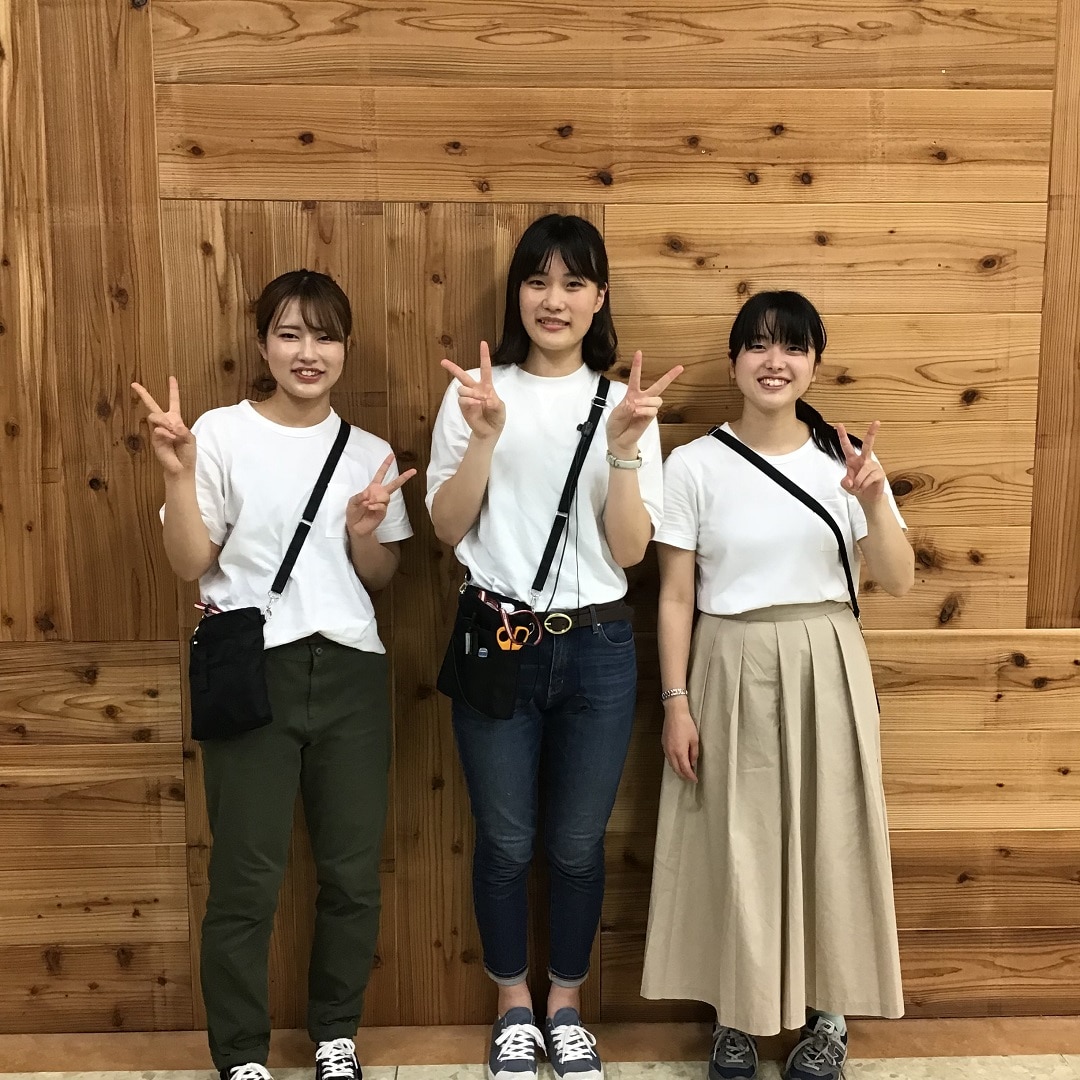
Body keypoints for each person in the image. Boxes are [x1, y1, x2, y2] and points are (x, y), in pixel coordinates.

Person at [133, 269, 414, 1080]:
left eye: (324, 335)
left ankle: (336, 1036)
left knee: (352, 874)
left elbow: (380, 577)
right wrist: (177, 474)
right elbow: (190, 561)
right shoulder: (219, 434)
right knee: (245, 875)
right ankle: (240, 1054)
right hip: (252, 669)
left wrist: (363, 532)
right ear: (262, 345)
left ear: (346, 347)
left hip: (353, 670)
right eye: (289, 334)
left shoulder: (368, 452)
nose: (307, 352)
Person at [426, 214, 681, 1080]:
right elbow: (446, 528)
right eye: (538, 280)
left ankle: (565, 1008)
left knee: (576, 845)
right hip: (498, 638)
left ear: (599, 298)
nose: (554, 299)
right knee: (504, 843)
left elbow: (632, 552)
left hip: (599, 645)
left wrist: (625, 452)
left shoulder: (625, 405)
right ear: (517, 294)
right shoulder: (477, 393)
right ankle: (513, 1008)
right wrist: (483, 437)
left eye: (574, 283)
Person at [641, 290, 914, 1080]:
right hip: (726, 660)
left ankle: (830, 1015)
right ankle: (736, 1014)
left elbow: (898, 580)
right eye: (758, 345)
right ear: (734, 362)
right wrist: (675, 701)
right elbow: (675, 596)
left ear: (814, 365)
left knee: (832, 833)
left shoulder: (845, 460)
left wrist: (874, 500)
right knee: (735, 840)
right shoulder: (694, 464)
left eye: (793, 347)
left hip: (826, 657)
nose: (774, 361)